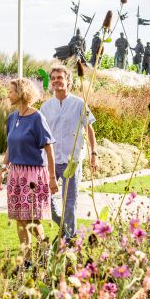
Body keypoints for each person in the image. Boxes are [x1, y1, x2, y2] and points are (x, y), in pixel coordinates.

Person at [0, 77, 58, 263]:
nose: (8, 95)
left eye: (11, 91)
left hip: (33, 175)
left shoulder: (37, 117)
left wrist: (52, 177)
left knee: (31, 219)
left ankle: (45, 251)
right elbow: (10, 146)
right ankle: (28, 259)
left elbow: (49, 147)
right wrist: (3, 169)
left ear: (22, 93)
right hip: (16, 174)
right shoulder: (12, 117)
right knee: (19, 219)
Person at [39, 65, 97, 242]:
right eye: (54, 78)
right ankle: (65, 227)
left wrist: (94, 153)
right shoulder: (46, 107)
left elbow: (89, 129)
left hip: (72, 160)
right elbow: (41, 134)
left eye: (60, 78)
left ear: (68, 81)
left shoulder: (79, 103)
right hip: (50, 161)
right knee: (44, 199)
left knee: (69, 203)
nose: (56, 81)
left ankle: (70, 238)